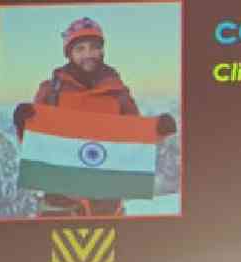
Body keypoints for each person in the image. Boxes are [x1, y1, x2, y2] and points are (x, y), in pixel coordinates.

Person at [12, 16, 176, 217]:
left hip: (106, 201)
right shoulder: (51, 91)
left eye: (93, 47)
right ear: (69, 54)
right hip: (60, 202)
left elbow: (133, 139)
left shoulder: (118, 93)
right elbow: (37, 141)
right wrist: (23, 123)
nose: (88, 54)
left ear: (102, 51)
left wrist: (159, 130)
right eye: (80, 49)